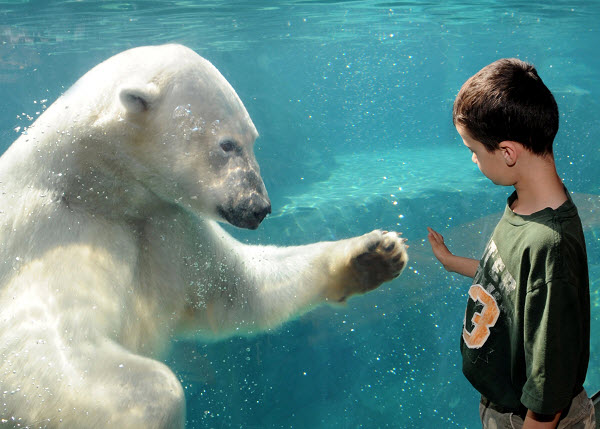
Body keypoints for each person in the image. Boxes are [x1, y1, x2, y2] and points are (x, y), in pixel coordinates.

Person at [427, 58, 595, 428]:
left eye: (474, 149)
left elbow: (548, 390)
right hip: (504, 403)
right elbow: (513, 282)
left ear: (507, 152)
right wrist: (453, 261)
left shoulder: (550, 245)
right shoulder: (523, 206)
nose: (473, 159)